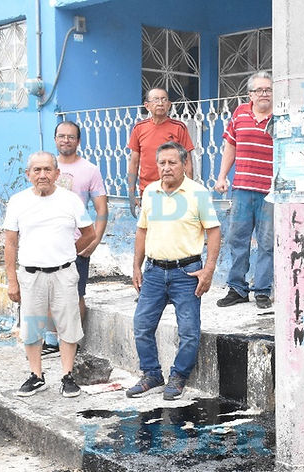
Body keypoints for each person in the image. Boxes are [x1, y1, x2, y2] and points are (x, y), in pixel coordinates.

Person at [126, 142, 221, 401]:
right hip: (154, 272)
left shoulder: (198, 194)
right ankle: (151, 374)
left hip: (187, 273)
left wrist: (209, 269)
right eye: (162, 163)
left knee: (189, 331)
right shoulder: (150, 192)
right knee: (142, 326)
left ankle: (178, 376)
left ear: (184, 164)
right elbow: (142, 230)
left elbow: (213, 231)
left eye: (172, 163)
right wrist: (136, 265)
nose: (166, 168)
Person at [4, 152, 94, 398]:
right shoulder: (17, 201)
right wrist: (12, 281)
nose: (42, 175)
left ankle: (67, 376)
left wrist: (67, 252)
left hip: (64, 273)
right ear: (28, 174)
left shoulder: (70, 200)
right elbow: (10, 244)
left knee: (68, 325)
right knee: (32, 327)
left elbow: (89, 233)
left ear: (56, 173)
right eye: (37, 170)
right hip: (31, 275)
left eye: (47, 170)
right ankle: (36, 376)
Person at [36, 121, 108, 355]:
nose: (66, 140)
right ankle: (52, 341)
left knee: (75, 295)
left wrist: (94, 240)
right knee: (47, 294)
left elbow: (101, 209)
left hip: (76, 244)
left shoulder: (90, 170)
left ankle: (72, 342)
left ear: (78, 141)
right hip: (46, 243)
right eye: (61, 136)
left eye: (71, 137)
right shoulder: (44, 168)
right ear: (55, 139)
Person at [214, 71, 275, 310]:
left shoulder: (280, 116)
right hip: (241, 189)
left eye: (268, 89)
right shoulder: (240, 112)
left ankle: (262, 290)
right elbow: (231, 145)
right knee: (237, 239)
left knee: (267, 243)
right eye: (259, 90)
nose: (264, 94)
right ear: (250, 94)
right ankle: (237, 289)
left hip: (270, 191)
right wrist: (221, 176)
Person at [127, 88, 195, 216]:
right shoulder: (139, 128)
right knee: (150, 231)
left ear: (169, 105)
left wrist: (189, 191)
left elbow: (188, 162)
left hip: (174, 190)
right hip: (148, 191)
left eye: (164, 100)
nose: (160, 103)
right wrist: (131, 193)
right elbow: (134, 163)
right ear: (147, 106)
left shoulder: (178, 127)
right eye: (156, 100)